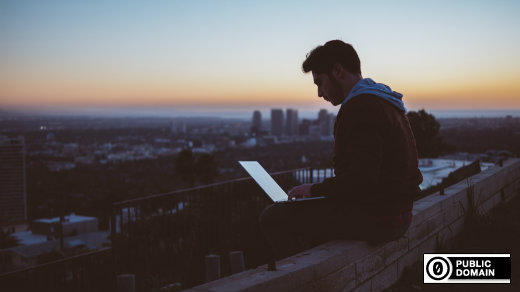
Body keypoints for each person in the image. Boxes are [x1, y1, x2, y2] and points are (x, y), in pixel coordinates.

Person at [259, 40, 423, 260]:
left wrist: (315, 190)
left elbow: (361, 180)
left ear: (338, 70)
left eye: (320, 82)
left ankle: (309, 278)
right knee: (309, 213)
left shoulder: (360, 107)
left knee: (273, 217)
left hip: (381, 219)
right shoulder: (384, 100)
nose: (319, 93)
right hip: (399, 213)